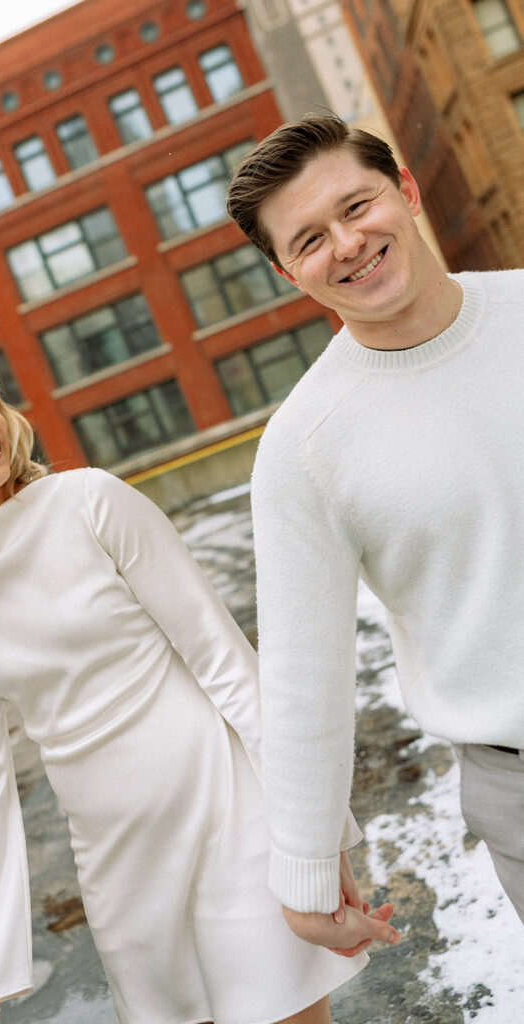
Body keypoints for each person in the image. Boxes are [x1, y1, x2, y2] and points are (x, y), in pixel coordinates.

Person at [0, 344, 397, 1024]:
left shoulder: (89, 502)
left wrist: (314, 838)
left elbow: (226, 665)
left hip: (225, 811)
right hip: (120, 863)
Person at [225, 113, 524, 951]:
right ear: (288, 272)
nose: (347, 244)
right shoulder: (304, 447)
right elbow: (302, 670)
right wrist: (306, 866)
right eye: (310, 239)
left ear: (405, 190)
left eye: (356, 207)